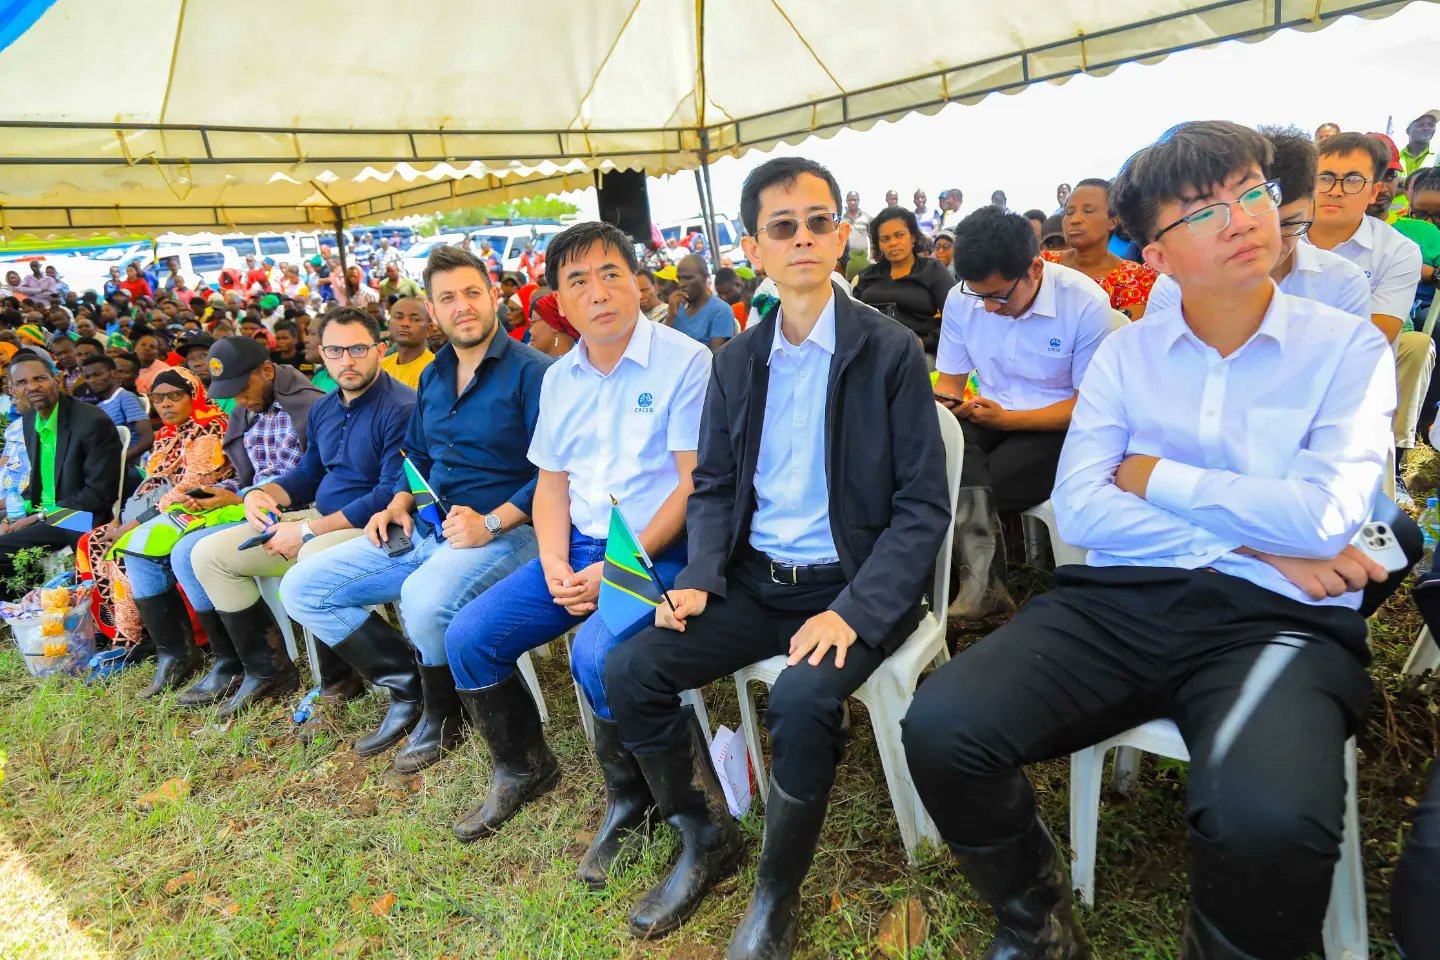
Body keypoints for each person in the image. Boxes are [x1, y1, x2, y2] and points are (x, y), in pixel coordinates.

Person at [905, 119, 1396, 960]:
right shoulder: (1127, 357)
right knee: (943, 724)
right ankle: (1033, 921)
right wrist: (1256, 543)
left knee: (1269, 821)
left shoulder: (1345, 348)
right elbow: (1082, 510)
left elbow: (1325, 518)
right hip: (1122, 601)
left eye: (1252, 192)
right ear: (1158, 255)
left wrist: (1151, 474)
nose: (1243, 219)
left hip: (1279, 620)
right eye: (1203, 210)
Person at [605, 157, 950, 956]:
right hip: (758, 582)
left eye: (819, 222)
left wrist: (854, 611)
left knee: (798, 701)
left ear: (841, 236)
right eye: (782, 226)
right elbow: (715, 485)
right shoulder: (737, 360)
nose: (803, 238)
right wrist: (700, 577)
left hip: (855, 585)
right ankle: (703, 837)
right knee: (631, 669)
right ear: (753, 247)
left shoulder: (890, 351)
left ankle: (775, 892)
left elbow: (923, 507)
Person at [442, 221, 709, 865]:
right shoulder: (560, 378)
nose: (598, 292)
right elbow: (551, 484)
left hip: (659, 553)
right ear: (559, 301)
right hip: (579, 548)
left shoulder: (685, 361)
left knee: (594, 655)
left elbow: (691, 485)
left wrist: (615, 569)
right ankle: (522, 767)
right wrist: (554, 562)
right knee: (469, 637)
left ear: (637, 283)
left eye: (611, 274)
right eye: (578, 281)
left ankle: (636, 802)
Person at [280, 245, 550, 773]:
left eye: (472, 292)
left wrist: (493, 521)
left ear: (493, 296)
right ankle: (412, 685)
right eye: (447, 298)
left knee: (421, 598)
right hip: (429, 526)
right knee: (302, 587)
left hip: (510, 532)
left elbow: (555, 474)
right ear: (432, 310)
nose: (462, 306)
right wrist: (399, 501)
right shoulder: (432, 374)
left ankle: (444, 714)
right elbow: (418, 455)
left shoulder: (534, 372)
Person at [188, 307, 414, 729]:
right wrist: (261, 494)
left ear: (379, 350)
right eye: (335, 350)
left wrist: (307, 530)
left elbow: (388, 493)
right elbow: (309, 473)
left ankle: (343, 682)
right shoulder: (326, 407)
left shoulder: (401, 406)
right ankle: (268, 670)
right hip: (322, 517)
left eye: (358, 349)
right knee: (209, 554)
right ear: (322, 354)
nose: (347, 360)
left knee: (312, 560)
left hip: (375, 526)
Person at [938, 205, 1113, 619]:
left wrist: (1008, 420)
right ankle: (982, 588)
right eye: (979, 296)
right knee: (938, 452)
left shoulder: (1084, 303)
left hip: (1058, 426)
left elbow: (1089, 407)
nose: (988, 308)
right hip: (987, 415)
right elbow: (949, 384)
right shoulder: (962, 299)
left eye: (999, 296)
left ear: (1035, 268)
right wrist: (946, 408)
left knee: (969, 484)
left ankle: (978, 586)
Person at [78, 368, 234, 696]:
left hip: (203, 508)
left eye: (174, 396)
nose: (165, 404)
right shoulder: (166, 434)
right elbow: (149, 487)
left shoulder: (210, 426)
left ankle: (149, 644)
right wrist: (123, 520)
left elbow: (190, 488)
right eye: (158, 398)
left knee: (132, 543)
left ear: (194, 395)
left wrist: (130, 525)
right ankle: (151, 642)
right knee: (91, 539)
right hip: (155, 515)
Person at [1308, 131, 1431, 496]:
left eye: (1352, 180)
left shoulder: (1398, 251)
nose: (1335, 190)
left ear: (1375, 191)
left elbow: (1375, 336)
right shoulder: (1279, 237)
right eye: (1325, 177)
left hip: (1353, 387)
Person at [1147, 125, 1370, 322]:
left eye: (1289, 224)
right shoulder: (1176, 288)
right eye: (1259, 218)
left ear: (1311, 207)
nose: (1272, 237)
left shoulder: (1343, 281)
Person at [0, 353, 121, 578]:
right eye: (22, 382)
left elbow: (100, 494)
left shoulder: (92, 422)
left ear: (56, 380)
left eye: (39, 378)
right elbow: (38, 484)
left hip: (80, 516)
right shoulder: (30, 419)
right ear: (13, 390)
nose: (32, 387)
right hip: (43, 511)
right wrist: (12, 516)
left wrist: (41, 516)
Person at [1042, 178, 1158, 319]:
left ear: (1112, 222)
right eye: (1069, 212)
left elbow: (1126, 329)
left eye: (1088, 211)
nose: (1074, 220)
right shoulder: (1044, 265)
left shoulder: (1133, 277)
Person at [852, 206, 956, 357]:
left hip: (918, 352)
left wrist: (924, 342)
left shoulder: (933, 270)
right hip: (871, 351)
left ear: (913, 236)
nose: (893, 243)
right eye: (885, 239)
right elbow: (852, 318)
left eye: (899, 235)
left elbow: (956, 320)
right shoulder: (867, 275)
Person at [81, 354, 153, 496]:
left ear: (113, 373)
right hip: (106, 468)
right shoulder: (100, 406)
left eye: (97, 374)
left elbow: (147, 438)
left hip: (127, 470)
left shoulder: (125, 398)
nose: (92, 380)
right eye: (88, 377)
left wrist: (117, 461)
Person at [668, 254, 734, 350]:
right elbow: (664, 349)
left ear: (705, 276)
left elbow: (716, 355)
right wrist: (670, 317)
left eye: (688, 278)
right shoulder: (677, 309)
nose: (681, 284)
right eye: (679, 279)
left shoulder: (720, 310)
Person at [378, 297, 435, 389]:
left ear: (429, 329)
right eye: (399, 317)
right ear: (389, 325)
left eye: (415, 319)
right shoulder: (381, 366)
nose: (405, 324)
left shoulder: (434, 369)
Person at [1402, 108, 1438, 176]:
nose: (1426, 128)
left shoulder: (1438, 157)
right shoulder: (1395, 156)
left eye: (1431, 125)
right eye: (1421, 125)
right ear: (1408, 130)